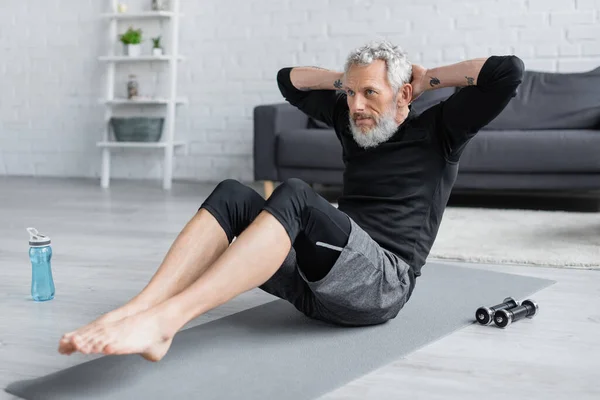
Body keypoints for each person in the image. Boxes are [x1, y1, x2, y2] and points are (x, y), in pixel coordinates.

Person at [58, 41, 524, 362]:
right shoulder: (352, 120)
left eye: (369, 93)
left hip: (380, 286)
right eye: (350, 93)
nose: (356, 105)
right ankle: (141, 307)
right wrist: (346, 80)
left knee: (297, 195)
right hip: (315, 285)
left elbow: (507, 72)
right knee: (234, 194)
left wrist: (428, 79)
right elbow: (289, 81)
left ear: (402, 93)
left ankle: (167, 320)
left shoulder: (441, 130)